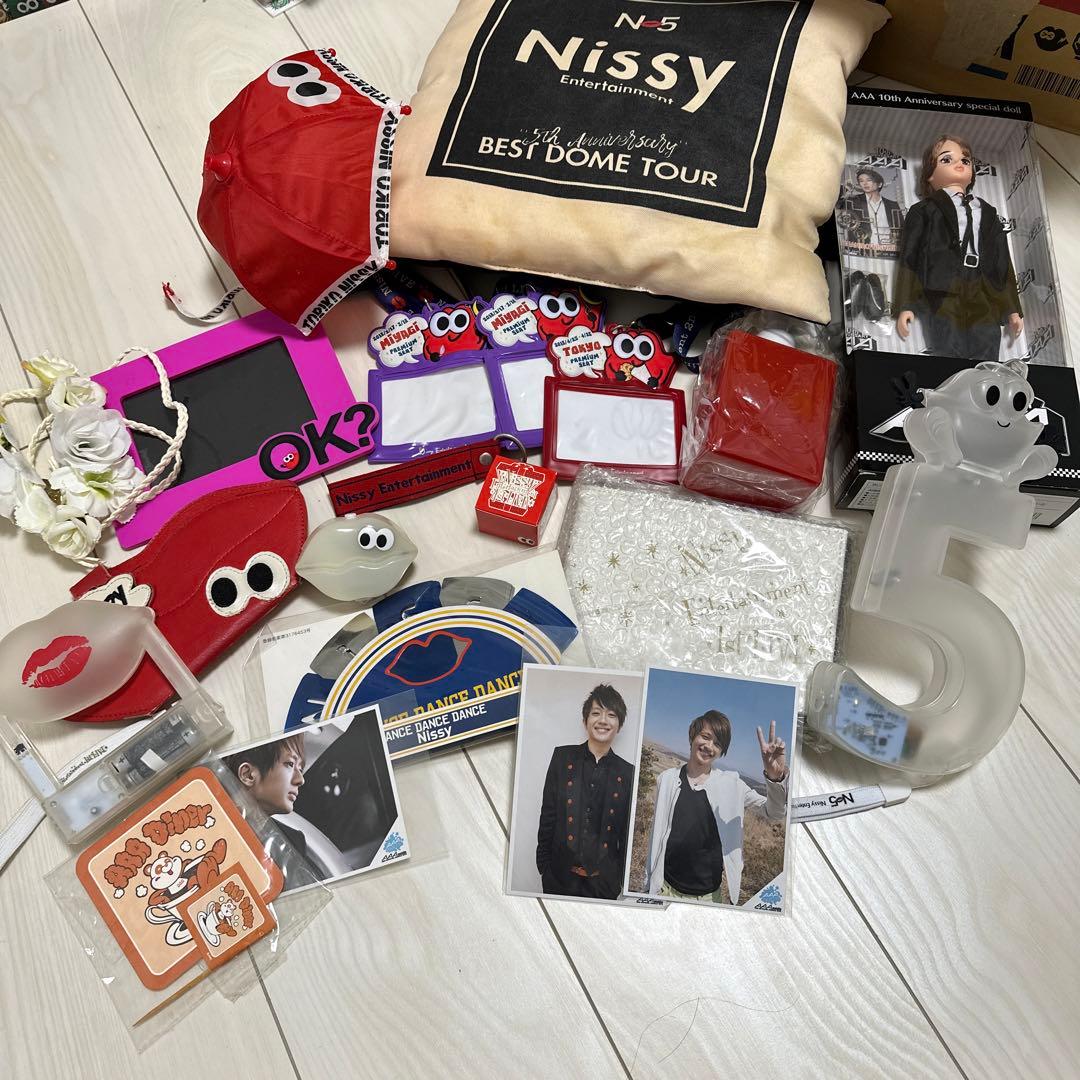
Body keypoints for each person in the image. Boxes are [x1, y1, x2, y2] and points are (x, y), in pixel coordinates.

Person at [894, 134, 1023, 364]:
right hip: (943, 287)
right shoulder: (924, 210)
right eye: (946, 159)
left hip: (983, 286)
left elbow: (1003, 261)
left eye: (966, 160)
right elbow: (909, 257)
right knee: (948, 343)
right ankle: (951, 380)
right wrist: (906, 305)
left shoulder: (988, 212)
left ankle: (986, 382)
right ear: (930, 175)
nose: (959, 163)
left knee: (987, 340)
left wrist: (1012, 309)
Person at [644, 712, 788, 904]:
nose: (709, 746)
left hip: (708, 898)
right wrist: (648, 883)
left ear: (722, 751)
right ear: (692, 735)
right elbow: (656, 835)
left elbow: (774, 813)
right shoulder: (667, 779)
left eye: (718, 744)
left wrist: (775, 778)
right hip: (664, 889)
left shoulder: (732, 784)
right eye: (705, 736)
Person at [536, 684, 635, 900]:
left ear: (619, 725)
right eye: (596, 713)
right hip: (559, 878)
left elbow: (626, 833)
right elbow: (548, 814)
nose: (603, 720)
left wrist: (618, 880)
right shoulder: (562, 758)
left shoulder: (628, 773)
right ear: (585, 721)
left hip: (603, 885)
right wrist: (544, 866)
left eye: (611, 715)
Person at [223, 734, 328, 887]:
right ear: (248, 774)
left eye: (300, 769)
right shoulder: (202, 815)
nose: (300, 779)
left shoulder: (292, 842)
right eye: (290, 764)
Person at [846, 167, 901, 252]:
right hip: (863, 250)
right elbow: (835, 203)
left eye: (869, 180)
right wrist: (846, 189)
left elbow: (902, 229)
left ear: (879, 184)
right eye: (861, 181)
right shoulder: (854, 201)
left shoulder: (893, 205)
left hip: (889, 249)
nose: (865, 183)